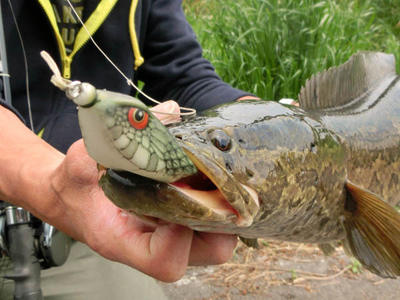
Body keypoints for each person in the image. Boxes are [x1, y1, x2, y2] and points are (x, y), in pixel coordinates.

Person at [0, 0, 258, 299]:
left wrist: (266, 124)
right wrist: (51, 187)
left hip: (78, 226)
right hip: (67, 207)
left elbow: (185, 77)